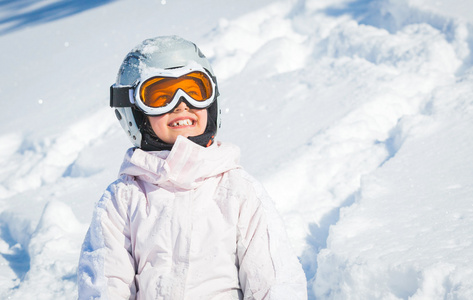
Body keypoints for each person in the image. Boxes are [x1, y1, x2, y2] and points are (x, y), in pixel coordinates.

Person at [77, 35, 307, 299]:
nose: (182, 103)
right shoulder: (123, 199)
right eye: (160, 96)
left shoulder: (237, 190)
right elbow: (106, 284)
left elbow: (274, 280)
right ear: (134, 111)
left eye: (195, 91)